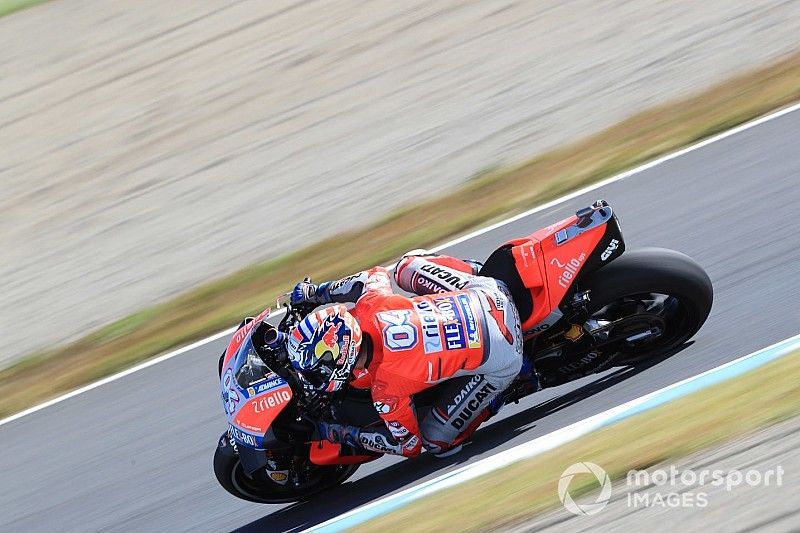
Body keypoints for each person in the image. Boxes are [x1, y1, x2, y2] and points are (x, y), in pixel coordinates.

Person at [286, 252, 524, 457]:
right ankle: (474, 270)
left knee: (435, 441)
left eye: (316, 369)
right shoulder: (370, 304)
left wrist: (337, 433)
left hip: (506, 354)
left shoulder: (386, 389)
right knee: (404, 266)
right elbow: (373, 275)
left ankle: (503, 393)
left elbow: (409, 446)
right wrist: (315, 293)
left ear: (339, 358)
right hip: (489, 291)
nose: (313, 375)